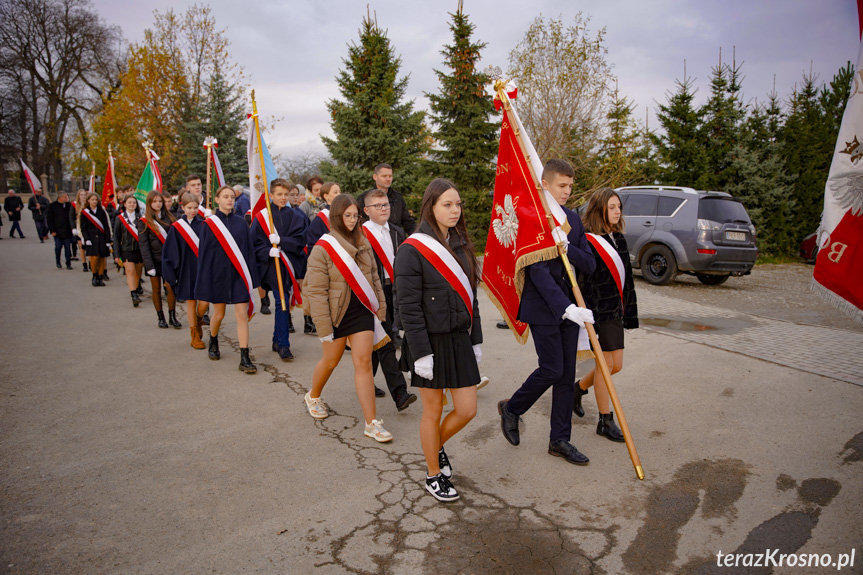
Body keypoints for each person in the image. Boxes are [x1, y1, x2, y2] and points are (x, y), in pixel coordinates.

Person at [498, 159, 597, 466]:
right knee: (553, 369)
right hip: (544, 306)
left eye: (570, 186)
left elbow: (590, 264)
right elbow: (537, 272)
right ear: (545, 184)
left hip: (571, 308)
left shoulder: (571, 219)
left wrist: (568, 246)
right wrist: (564, 307)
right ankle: (513, 408)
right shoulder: (530, 217)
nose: (567, 191)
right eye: (561, 185)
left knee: (566, 376)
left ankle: (560, 440)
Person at [394, 178, 482, 502]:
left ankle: (435, 447)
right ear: (431, 206)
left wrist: (477, 339)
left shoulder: (460, 244)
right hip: (428, 343)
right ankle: (433, 473)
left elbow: (470, 296)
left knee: (467, 409)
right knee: (432, 413)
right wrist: (420, 353)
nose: (455, 210)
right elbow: (408, 307)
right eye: (447, 204)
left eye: (458, 204)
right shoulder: (412, 249)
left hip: (459, 338)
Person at [302, 194, 392, 442]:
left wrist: (380, 308)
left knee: (363, 363)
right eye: (347, 215)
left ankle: (371, 423)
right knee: (331, 361)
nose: (352, 220)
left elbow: (374, 278)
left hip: (361, 310)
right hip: (334, 314)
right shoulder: (323, 247)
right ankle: (314, 395)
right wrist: (324, 327)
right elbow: (316, 291)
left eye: (355, 215)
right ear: (336, 217)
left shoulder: (363, 242)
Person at [572, 187, 639, 442]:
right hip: (599, 313)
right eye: (611, 207)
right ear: (600, 209)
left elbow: (628, 280)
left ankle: (577, 389)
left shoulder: (619, 238)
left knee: (616, 365)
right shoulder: (588, 240)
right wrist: (591, 321)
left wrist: (630, 313)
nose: (617, 211)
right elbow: (584, 283)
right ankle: (604, 419)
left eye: (618, 207)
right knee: (606, 364)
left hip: (616, 310)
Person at [362, 189, 416, 411]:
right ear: (366, 211)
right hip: (374, 293)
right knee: (385, 340)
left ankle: (366, 380)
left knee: (380, 339)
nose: (384, 208)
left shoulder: (397, 232)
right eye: (378, 206)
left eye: (386, 204)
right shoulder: (361, 234)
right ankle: (399, 392)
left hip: (396, 289)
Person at [195, 185, 259, 373]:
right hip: (218, 276)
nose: (229, 200)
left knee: (242, 315)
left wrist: (252, 279)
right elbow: (204, 255)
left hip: (239, 276)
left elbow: (248, 251)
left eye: (232, 196)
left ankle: (244, 357)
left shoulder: (241, 223)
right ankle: (213, 340)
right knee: (219, 314)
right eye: (225, 196)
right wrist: (205, 280)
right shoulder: (209, 224)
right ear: (217, 200)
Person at [252, 179, 308, 361]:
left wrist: (282, 241)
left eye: (286, 194)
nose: (283, 198)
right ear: (271, 196)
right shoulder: (262, 217)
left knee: (283, 303)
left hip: (290, 265)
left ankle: (277, 339)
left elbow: (301, 241)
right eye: (279, 194)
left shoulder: (297, 216)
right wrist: (268, 250)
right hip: (271, 266)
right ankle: (284, 345)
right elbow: (254, 243)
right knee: (281, 302)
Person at [163, 193, 206, 349]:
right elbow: (171, 251)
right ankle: (194, 333)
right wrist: (171, 273)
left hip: (202, 268)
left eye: (195, 208)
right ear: (183, 207)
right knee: (191, 301)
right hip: (186, 268)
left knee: (205, 301)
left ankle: (199, 319)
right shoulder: (176, 228)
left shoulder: (204, 225)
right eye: (189, 208)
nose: (193, 211)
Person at [302, 182, 342, 335]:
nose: (339, 194)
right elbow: (313, 244)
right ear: (326, 196)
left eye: (339, 191)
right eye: (335, 192)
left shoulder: (341, 214)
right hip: (328, 264)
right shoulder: (321, 218)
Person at [138, 191, 181, 329]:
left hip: (168, 260)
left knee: (170, 288)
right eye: (155, 201)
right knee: (156, 290)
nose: (158, 204)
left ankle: (172, 316)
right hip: (154, 260)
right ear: (150, 203)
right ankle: (160, 317)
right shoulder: (144, 221)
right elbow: (143, 246)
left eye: (160, 201)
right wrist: (149, 265)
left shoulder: (170, 218)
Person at [357, 164, 416, 234]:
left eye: (390, 176)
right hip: (373, 240)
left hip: (396, 240)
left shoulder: (398, 198)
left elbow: (408, 222)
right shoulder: (364, 198)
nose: (388, 179)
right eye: (384, 176)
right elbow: (358, 223)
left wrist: (417, 238)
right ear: (375, 177)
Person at [113, 193, 145, 308]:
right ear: (125, 204)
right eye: (129, 202)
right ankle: (134, 295)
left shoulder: (141, 218)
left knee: (137, 273)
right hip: (126, 249)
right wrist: (116, 254)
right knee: (130, 272)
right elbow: (116, 237)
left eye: (134, 203)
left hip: (139, 250)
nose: (132, 204)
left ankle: (136, 289)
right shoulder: (119, 219)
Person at [79, 192, 112, 287]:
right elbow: (83, 227)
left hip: (102, 238)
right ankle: (94, 276)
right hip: (91, 238)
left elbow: (106, 226)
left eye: (96, 200)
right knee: (94, 258)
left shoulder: (102, 211)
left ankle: (101, 277)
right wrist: (86, 239)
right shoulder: (85, 212)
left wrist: (108, 240)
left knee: (102, 257)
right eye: (92, 199)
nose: (94, 201)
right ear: (88, 200)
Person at [45, 191, 74, 269]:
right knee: (58, 247)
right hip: (57, 231)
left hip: (67, 230)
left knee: (67, 247)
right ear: (60, 198)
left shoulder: (69, 205)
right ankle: (58, 261)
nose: (67, 198)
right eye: (65, 197)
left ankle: (68, 263)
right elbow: (49, 219)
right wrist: (52, 230)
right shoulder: (52, 206)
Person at [70, 189, 89, 271]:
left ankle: (91, 263)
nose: (83, 196)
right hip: (78, 228)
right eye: (81, 195)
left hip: (87, 227)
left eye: (84, 194)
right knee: (81, 247)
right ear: (78, 196)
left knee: (89, 246)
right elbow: (71, 217)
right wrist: (73, 228)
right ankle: (84, 264)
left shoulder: (88, 204)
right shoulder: (74, 205)